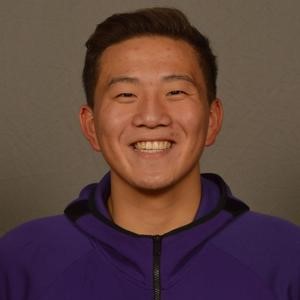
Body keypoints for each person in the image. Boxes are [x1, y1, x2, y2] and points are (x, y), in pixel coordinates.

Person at [0, 7, 299, 300]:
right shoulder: (20, 263)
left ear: (213, 119)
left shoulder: (287, 256)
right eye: (126, 95)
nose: (152, 116)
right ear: (91, 127)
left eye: (176, 92)